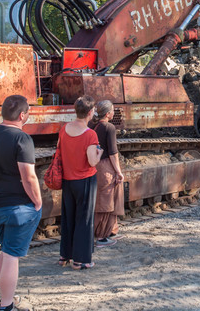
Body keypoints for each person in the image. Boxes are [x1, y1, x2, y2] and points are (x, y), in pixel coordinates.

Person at [0, 95, 42, 311]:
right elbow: (28, 176)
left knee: (6, 250)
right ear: (22, 115)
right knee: (12, 255)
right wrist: (38, 202)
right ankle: (6, 305)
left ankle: (6, 299)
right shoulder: (21, 139)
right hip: (18, 208)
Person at [58, 95, 102, 270]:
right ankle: (81, 260)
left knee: (68, 218)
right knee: (84, 219)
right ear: (90, 113)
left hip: (68, 181)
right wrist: (99, 153)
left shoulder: (64, 129)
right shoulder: (90, 134)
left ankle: (65, 256)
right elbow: (92, 161)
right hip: (84, 180)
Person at [90, 100, 124, 247]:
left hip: (94, 165)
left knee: (100, 199)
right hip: (106, 167)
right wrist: (118, 171)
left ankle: (110, 230)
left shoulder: (91, 125)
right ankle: (102, 237)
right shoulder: (109, 127)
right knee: (106, 201)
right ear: (108, 113)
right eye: (112, 110)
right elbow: (112, 152)